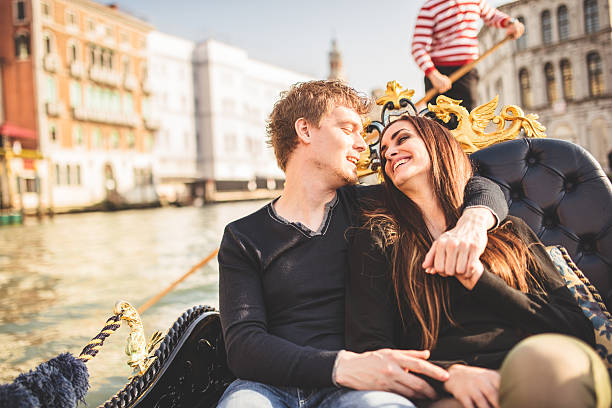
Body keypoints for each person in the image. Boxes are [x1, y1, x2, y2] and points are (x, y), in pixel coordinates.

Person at [217, 80, 509, 408]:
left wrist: (475, 221)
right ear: (305, 130)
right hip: (268, 387)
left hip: (362, 387)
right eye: (348, 129)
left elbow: (475, 183)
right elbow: (243, 345)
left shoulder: (374, 204)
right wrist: (341, 366)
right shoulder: (243, 237)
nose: (362, 144)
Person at [346, 115, 611, 408]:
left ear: (438, 145)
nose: (389, 153)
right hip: (450, 388)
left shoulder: (508, 230)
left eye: (402, 139)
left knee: (551, 370)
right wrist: (449, 376)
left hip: (531, 363)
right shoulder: (380, 238)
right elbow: (371, 348)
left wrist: (480, 279)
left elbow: (576, 328)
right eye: (383, 151)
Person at [412, 0, 525, 111]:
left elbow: (491, 16)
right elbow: (418, 47)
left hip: (467, 72)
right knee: (437, 125)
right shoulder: (429, 7)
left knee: (467, 120)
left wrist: (511, 22)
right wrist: (434, 75)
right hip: (438, 75)